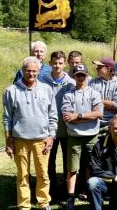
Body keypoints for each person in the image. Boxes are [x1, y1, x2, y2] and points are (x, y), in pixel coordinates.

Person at [3, 56, 58, 210]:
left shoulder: (46, 89)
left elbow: (53, 115)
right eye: (28, 71)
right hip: (20, 139)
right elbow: (7, 118)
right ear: (22, 71)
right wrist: (8, 142)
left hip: (42, 139)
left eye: (34, 71)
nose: (31, 74)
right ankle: (24, 205)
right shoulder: (11, 91)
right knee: (22, 175)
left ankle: (43, 202)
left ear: (38, 72)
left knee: (43, 174)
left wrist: (51, 136)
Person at [62, 64, 104, 210]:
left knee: (89, 167)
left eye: (83, 75)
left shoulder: (94, 93)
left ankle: (89, 192)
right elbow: (67, 117)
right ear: (74, 76)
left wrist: (78, 116)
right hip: (74, 135)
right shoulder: (68, 94)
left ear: (87, 76)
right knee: (72, 168)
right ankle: (70, 197)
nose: (80, 77)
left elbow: (99, 114)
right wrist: (88, 116)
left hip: (92, 135)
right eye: (77, 75)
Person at [40, 51, 75, 201]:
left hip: (67, 130)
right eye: (55, 63)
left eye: (60, 63)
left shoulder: (71, 83)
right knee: (49, 162)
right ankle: (51, 190)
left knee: (69, 162)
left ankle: (68, 191)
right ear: (50, 63)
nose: (57, 66)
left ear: (65, 64)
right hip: (49, 130)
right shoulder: (42, 81)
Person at [89, 57, 117, 131]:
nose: (97, 69)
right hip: (95, 122)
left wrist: (98, 102)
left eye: (100, 67)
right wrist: (110, 105)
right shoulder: (93, 82)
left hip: (113, 123)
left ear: (108, 69)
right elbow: (88, 102)